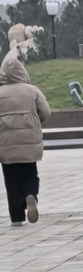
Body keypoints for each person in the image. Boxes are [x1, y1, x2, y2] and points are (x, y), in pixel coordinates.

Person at [0, 51, 50, 225]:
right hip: (29, 141)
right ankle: (31, 195)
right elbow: (45, 112)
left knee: (11, 180)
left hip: (5, 144)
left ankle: (16, 218)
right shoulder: (31, 90)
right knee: (30, 174)